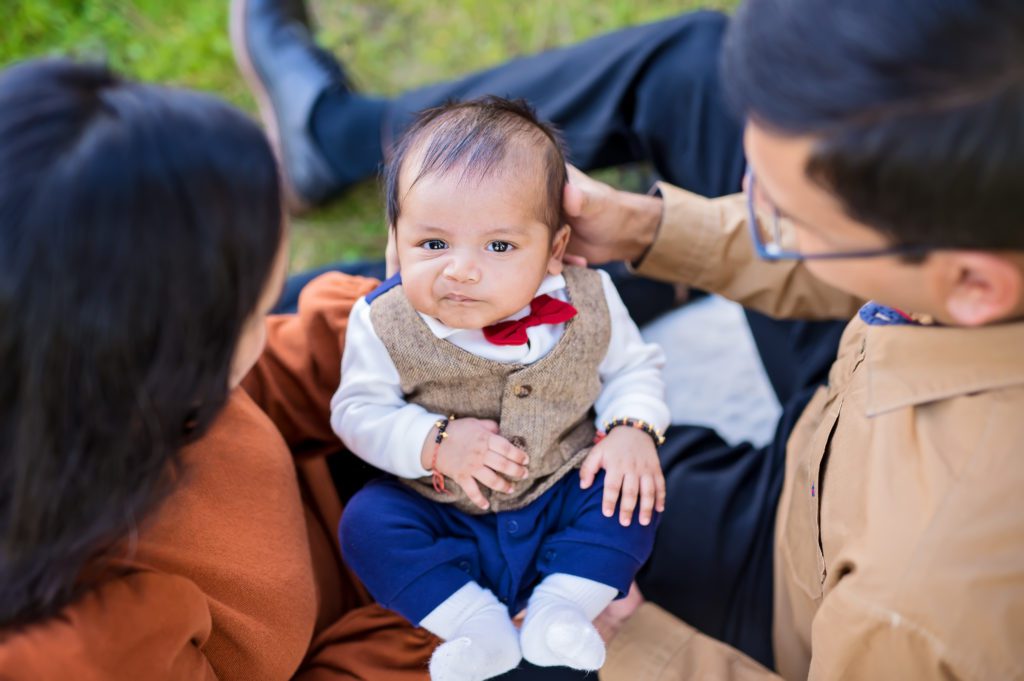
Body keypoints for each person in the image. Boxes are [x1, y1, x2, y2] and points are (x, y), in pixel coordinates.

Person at [234, 0, 1024, 678]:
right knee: (694, 68)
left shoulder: (920, 600)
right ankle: (343, 141)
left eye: (783, 217)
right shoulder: (969, 256)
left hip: (790, 580)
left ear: (974, 285)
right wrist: (650, 228)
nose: (743, 200)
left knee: (520, 583)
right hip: (836, 438)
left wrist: (638, 638)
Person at [0, 58, 436, 679]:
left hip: (339, 512)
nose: (267, 320)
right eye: (255, 312)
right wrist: (442, 610)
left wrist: (429, 328)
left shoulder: (85, 388)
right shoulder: (75, 650)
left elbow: (263, 379)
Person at [331, 97, 670, 680]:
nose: (461, 269)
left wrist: (631, 429)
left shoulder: (589, 298)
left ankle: (563, 606)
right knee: (367, 523)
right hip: (445, 509)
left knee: (632, 493)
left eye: (499, 247)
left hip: (562, 487)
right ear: (396, 238)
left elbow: (634, 369)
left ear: (554, 251)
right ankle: (474, 624)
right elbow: (357, 410)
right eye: (432, 244)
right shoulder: (383, 322)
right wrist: (434, 442)